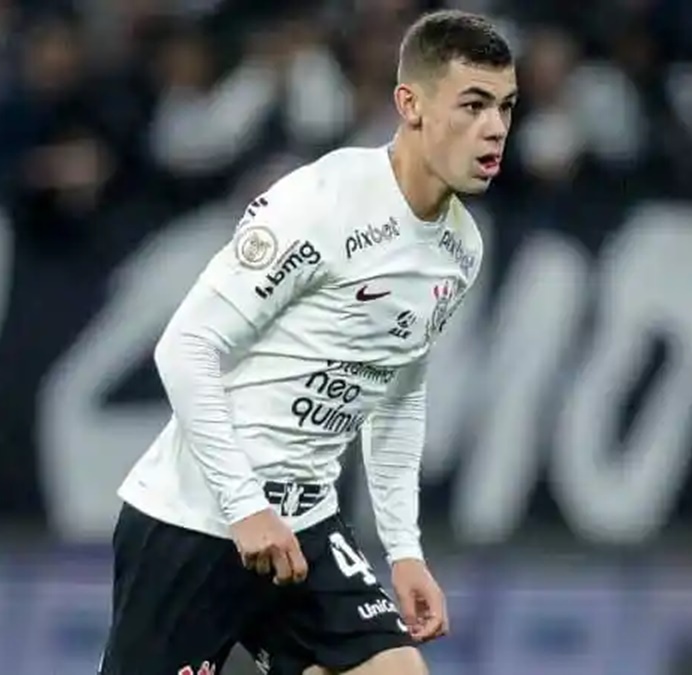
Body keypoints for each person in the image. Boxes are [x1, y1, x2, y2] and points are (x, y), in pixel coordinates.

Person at [100, 10, 516, 675]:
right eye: (472, 105)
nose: (495, 128)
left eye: (505, 106)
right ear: (410, 105)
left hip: (306, 523)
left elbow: (399, 395)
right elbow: (184, 348)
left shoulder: (460, 248)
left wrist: (403, 548)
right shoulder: (321, 202)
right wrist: (247, 508)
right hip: (197, 520)